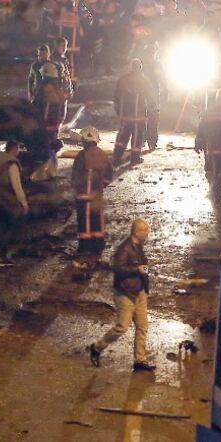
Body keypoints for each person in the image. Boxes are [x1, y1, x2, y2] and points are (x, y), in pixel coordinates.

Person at [88, 218, 154, 372]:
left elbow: (143, 267)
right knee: (122, 327)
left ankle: (140, 360)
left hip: (139, 292)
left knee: (142, 327)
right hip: (125, 294)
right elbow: (117, 269)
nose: (147, 232)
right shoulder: (124, 249)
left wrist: (146, 289)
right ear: (136, 232)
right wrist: (137, 270)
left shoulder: (138, 245)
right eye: (144, 230)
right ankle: (97, 348)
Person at [72, 127, 114, 257]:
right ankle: (98, 245)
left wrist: (74, 188)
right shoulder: (102, 154)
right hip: (96, 196)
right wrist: (102, 185)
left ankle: (85, 247)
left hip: (82, 196)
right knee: (96, 220)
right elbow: (109, 173)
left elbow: (75, 175)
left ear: (84, 141)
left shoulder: (81, 156)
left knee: (84, 221)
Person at [0, 140, 28, 264]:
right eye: (18, 149)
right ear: (14, 149)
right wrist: (23, 202)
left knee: (3, 224)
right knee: (14, 223)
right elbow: (16, 185)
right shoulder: (11, 163)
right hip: (8, 199)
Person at [113, 59, 155, 166]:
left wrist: (118, 110)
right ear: (140, 67)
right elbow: (150, 97)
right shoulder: (144, 81)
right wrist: (152, 109)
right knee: (137, 138)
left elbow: (116, 96)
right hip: (139, 115)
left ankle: (116, 158)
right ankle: (135, 159)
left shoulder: (123, 80)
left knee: (122, 137)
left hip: (126, 115)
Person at [143, 43, 166, 150]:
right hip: (146, 94)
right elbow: (162, 78)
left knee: (151, 119)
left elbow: (162, 78)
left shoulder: (156, 64)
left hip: (151, 95)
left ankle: (149, 141)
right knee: (147, 119)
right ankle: (146, 140)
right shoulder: (146, 65)